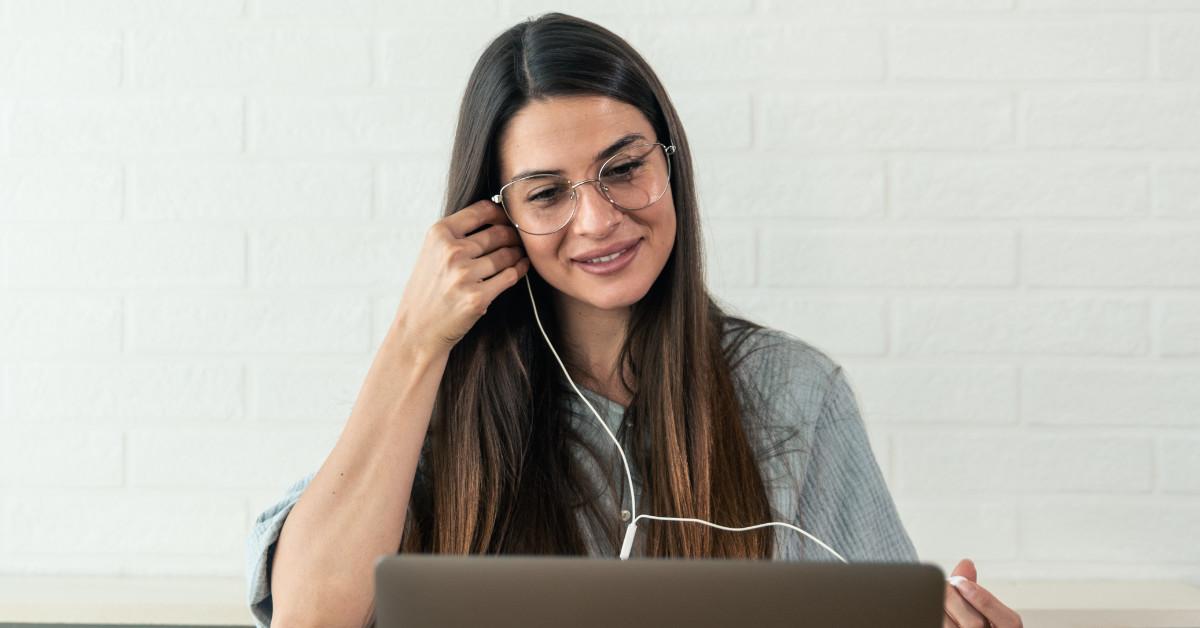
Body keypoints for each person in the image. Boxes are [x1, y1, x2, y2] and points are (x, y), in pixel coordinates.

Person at [245, 12, 1023, 628]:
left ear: (670, 165)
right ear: (494, 219)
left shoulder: (793, 390)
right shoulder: (434, 399)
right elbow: (312, 619)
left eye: (623, 169)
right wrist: (416, 339)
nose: (598, 221)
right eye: (548, 193)